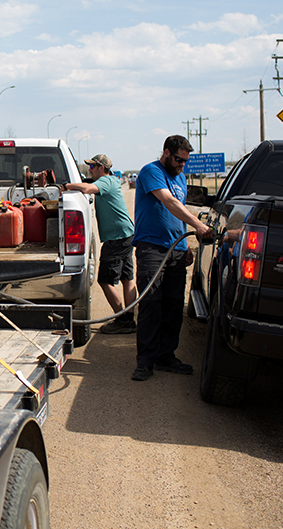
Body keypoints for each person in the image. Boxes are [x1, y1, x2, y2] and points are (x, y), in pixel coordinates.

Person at [131, 135, 211, 382]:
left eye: (185, 161)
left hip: (176, 250)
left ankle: (166, 356)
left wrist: (185, 246)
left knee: (173, 305)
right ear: (166, 152)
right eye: (178, 159)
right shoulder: (151, 172)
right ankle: (145, 361)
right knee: (151, 304)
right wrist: (199, 225)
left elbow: (179, 214)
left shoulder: (181, 177)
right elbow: (169, 202)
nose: (181, 165)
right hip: (152, 249)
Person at [65, 154, 137, 334]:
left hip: (116, 238)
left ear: (101, 168)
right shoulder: (112, 180)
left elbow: (88, 189)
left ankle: (122, 320)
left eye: (92, 166)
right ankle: (129, 319)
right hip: (125, 234)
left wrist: (66, 186)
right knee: (127, 278)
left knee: (105, 280)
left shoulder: (106, 181)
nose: (90, 169)